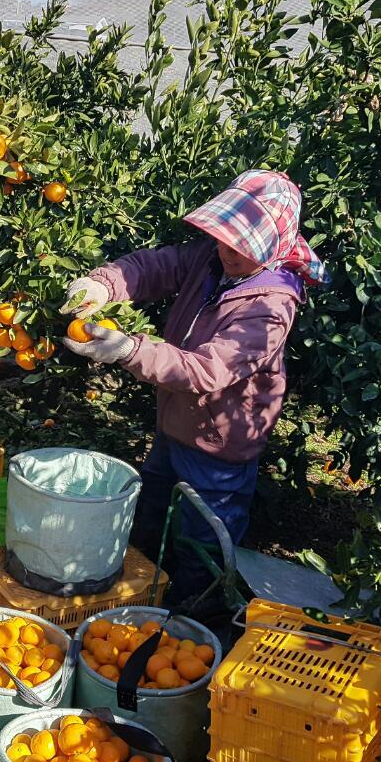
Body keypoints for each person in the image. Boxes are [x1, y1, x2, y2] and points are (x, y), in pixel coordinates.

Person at [60, 169, 328, 611]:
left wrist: (129, 350)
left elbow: (208, 370)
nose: (227, 251)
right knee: (151, 513)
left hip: (219, 446)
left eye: (241, 246)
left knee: (202, 543)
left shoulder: (270, 308)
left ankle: (193, 619)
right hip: (176, 422)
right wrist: (103, 284)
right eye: (223, 239)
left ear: (270, 248)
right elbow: (154, 268)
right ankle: (138, 597)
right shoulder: (212, 258)